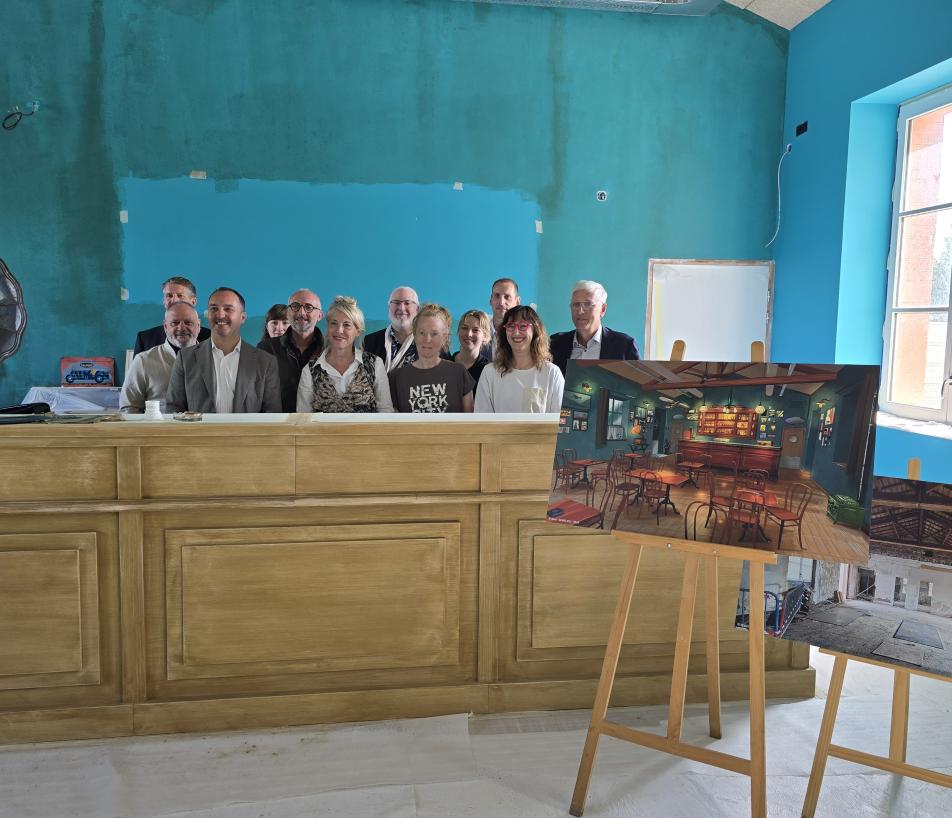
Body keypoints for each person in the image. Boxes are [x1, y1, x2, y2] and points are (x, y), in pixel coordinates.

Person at [165, 287, 281, 413]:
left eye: (228, 309)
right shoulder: (185, 358)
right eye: (214, 309)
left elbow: (272, 415)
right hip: (200, 433)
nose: (220, 315)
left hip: (247, 433)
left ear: (243, 317)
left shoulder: (265, 362)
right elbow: (174, 409)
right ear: (207, 314)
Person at [296, 295, 394, 413]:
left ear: (357, 330)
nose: (339, 330)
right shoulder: (310, 370)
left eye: (347, 325)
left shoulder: (374, 365)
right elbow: (303, 417)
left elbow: (386, 412)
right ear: (327, 327)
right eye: (334, 323)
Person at [474, 305, 564, 413]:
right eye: (511, 326)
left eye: (523, 326)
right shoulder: (490, 372)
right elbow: (482, 422)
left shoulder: (552, 373)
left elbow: (560, 422)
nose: (516, 333)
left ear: (535, 330)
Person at [390, 304, 474, 413]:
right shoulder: (396, 378)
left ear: (444, 337)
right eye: (422, 333)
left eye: (434, 334)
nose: (427, 339)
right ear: (414, 335)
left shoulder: (459, 373)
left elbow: (470, 422)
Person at [119, 301, 200, 413]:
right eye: (174, 323)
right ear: (165, 327)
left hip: (204, 429)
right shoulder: (143, 361)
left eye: (188, 322)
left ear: (198, 326)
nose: (181, 328)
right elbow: (129, 407)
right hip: (158, 429)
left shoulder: (213, 359)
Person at [549, 280, 640, 374]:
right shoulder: (555, 343)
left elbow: (637, 385)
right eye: (576, 304)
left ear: (603, 309)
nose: (580, 311)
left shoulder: (624, 345)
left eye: (588, 304)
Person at [257, 289, 324, 412]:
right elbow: (256, 397)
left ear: (320, 315)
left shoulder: (330, 351)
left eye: (308, 307)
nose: (301, 312)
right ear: (288, 312)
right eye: (295, 306)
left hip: (319, 428)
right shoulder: (266, 349)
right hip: (277, 427)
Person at [133, 276, 211, 356]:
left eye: (180, 295)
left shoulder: (211, 339)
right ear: (163, 301)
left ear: (193, 301)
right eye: (169, 295)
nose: (173, 300)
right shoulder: (145, 339)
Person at [362, 286, 422, 372]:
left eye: (407, 303)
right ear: (389, 307)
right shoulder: (369, 342)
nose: (401, 308)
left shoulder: (432, 343)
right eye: (396, 303)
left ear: (417, 309)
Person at [451, 309, 491, 388]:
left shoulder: (488, 370)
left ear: (485, 336)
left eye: (475, 330)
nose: (469, 334)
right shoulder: (446, 364)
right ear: (458, 331)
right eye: (465, 328)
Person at [487, 277, 520, 360]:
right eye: (497, 296)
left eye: (507, 297)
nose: (501, 302)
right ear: (490, 300)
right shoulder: (477, 332)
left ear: (517, 301)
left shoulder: (524, 335)